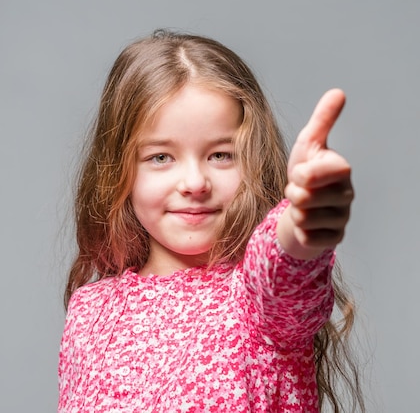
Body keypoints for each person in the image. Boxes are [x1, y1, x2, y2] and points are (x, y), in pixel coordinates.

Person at [58, 29, 364, 412]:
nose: (194, 183)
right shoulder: (91, 311)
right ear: (119, 170)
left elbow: (283, 270)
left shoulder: (257, 302)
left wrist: (301, 222)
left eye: (220, 155)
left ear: (253, 160)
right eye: (160, 157)